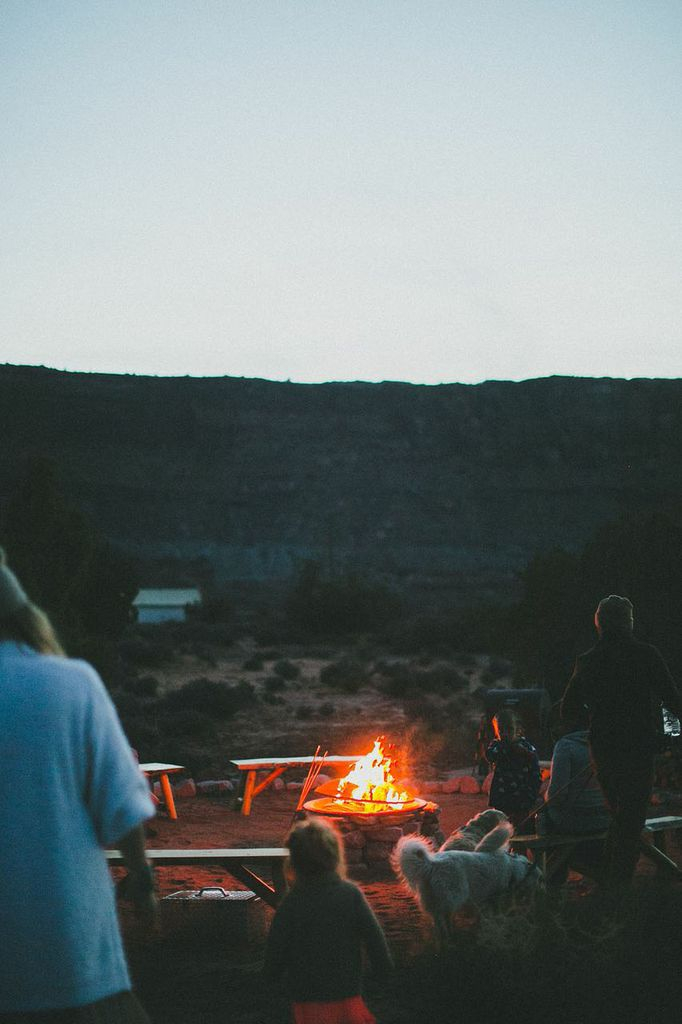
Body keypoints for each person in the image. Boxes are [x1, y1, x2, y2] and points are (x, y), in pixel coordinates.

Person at [0, 548, 156, 1022]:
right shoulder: (71, 684)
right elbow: (122, 806)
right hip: (67, 948)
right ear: (26, 616)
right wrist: (142, 880)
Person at [561, 594, 682, 889]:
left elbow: (568, 711)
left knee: (621, 815)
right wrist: (672, 736)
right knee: (630, 818)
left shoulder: (588, 661)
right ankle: (614, 889)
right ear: (628, 622)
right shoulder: (646, 654)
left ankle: (608, 884)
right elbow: (672, 700)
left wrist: (595, 715)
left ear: (599, 625)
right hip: (640, 748)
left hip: (603, 750)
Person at [264, 817, 393, 1024]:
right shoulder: (350, 894)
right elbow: (374, 939)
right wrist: (383, 973)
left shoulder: (292, 902)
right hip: (346, 994)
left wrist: (270, 978)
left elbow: (276, 948)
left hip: (306, 999)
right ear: (334, 855)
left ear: (295, 861)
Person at [486, 708, 541, 830]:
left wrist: (531, 796)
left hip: (522, 800)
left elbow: (536, 774)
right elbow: (490, 756)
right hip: (501, 799)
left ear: (518, 729)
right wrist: (509, 747)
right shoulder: (497, 746)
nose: (505, 733)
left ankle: (519, 849)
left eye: (509, 729)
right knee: (501, 832)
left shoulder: (527, 748)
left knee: (522, 831)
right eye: (501, 730)